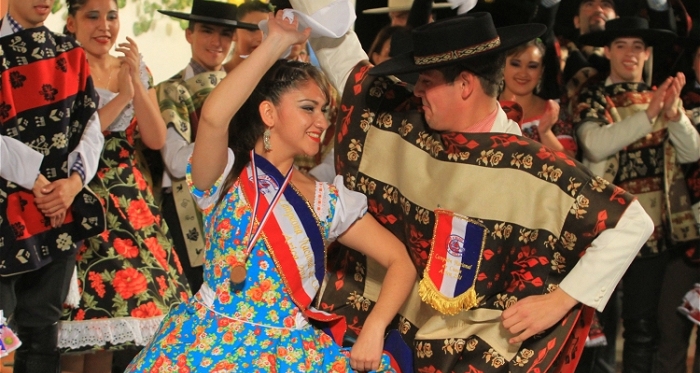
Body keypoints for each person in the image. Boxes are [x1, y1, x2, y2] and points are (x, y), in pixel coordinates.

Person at [290, 1, 654, 371]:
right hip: (393, 337)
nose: (416, 92)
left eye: (427, 83)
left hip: (478, 354)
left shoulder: (528, 167)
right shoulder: (404, 121)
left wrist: (559, 301)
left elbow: (632, 222)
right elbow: (342, 53)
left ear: (464, 86)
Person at [126, 11, 416, 373]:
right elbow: (216, 116)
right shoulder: (226, 174)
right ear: (268, 113)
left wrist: (375, 328)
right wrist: (274, 43)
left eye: (325, 111)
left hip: (287, 355)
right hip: (203, 344)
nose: (323, 122)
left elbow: (400, 262)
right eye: (308, 108)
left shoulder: (328, 200)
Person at [55, 0, 192, 371]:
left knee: (111, 328)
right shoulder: (63, 67)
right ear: (72, 23)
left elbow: (155, 138)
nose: (104, 26)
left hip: (129, 198)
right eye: (93, 16)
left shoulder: (132, 69)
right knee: (77, 326)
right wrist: (124, 98)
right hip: (80, 195)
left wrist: (135, 80)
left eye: (112, 16)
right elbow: (76, 136)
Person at [573, 16, 700, 373]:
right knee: (599, 326)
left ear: (647, 54)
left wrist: (673, 116)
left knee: (643, 329)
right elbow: (595, 145)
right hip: (605, 230)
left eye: (638, 47)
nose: (630, 54)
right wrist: (650, 115)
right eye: (621, 46)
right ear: (608, 51)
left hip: (652, 233)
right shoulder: (593, 95)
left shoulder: (658, 97)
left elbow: (691, 153)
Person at [0, 0, 106, 372]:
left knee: (42, 328)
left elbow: (90, 129)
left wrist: (73, 184)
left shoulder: (70, 53)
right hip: (7, 207)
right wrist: (39, 179)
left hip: (58, 208)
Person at [155, 0, 258, 294]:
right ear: (189, 34)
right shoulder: (170, 90)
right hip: (187, 211)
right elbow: (175, 162)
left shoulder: (244, 87)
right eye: (207, 31)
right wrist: (227, 143)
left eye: (225, 34)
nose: (216, 42)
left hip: (238, 207)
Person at [656, 26, 700, 373]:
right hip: (683, 240)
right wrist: (675, 114)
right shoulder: (682, 104)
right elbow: (691, 151)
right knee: (669, 336)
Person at [499, 38, 577, 157]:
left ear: (541, 71)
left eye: (532, 66)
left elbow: (571, 166)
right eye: (516, 64)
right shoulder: (483, 110)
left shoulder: (555, 113)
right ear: (502, 66)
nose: (523, 73)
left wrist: (545, 133)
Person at [223, 0, 272, 73]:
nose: (261, 37)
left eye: (266, 31)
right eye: (252, 29)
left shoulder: (277, 77)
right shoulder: (216, 78)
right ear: (233, 33)